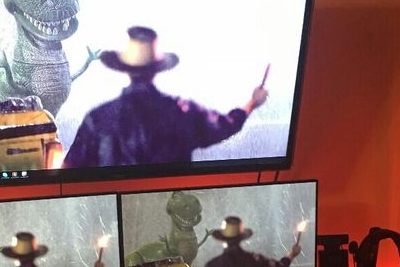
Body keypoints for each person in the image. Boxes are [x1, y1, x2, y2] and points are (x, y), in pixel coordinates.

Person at [63, 26, 267, 168]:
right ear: (156, 70)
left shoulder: (97, 118)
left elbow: (68, 168)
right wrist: (252, 103)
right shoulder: (182, 112)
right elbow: (226, 125)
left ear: (125, 69)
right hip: (171, 206)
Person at [194, 216, 301, 267]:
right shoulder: (255, 261)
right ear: (241, 237)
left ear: (222, 239)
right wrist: (292, 254)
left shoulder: (212, 266)